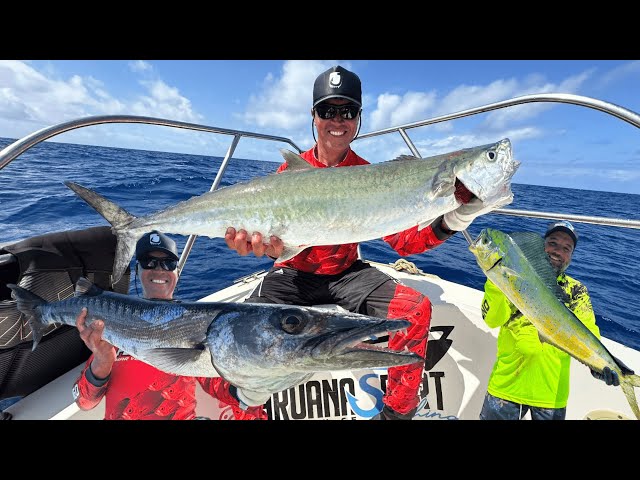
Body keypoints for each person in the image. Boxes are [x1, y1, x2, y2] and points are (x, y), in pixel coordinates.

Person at [224, 65, 495, 419]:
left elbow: (405, 244)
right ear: (313, 116)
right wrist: (254, 248)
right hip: (292, 274)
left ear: (359, 118)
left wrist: (456, 218)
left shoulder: (372, 176)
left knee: (414, 310)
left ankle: (398, 412)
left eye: (347, 111)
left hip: (347, 274)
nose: (338, 120)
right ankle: (248, 408)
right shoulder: (289, 175)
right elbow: (266, 244)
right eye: (328, 110)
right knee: (237, 329)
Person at [72, 230, 266, 420]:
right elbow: (84, 402)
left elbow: (218, 384)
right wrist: (102, 363)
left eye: (168, 263)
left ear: (177, 271)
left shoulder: (194, 325)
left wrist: (250, 392)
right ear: (138, 270)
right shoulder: (114, 324)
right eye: (149, 262)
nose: (159, 269)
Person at [479, 220, 619, 420]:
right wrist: (495, 279)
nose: (557, 251)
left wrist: (599, 364)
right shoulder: (513, 276)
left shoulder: (577, 291)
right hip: (505, 388)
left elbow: (588, 330)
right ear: (542, 246)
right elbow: (492, 319)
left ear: (570, 256)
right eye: (553, 243)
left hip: (551, 396)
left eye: (566, 248)